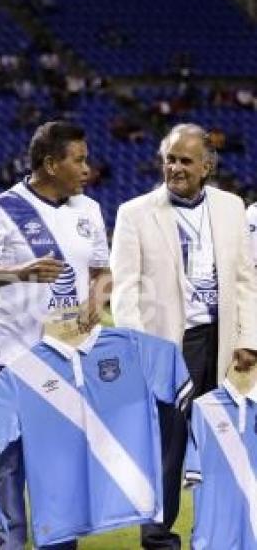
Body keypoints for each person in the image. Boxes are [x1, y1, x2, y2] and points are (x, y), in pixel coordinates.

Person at [110, 122, 257, 549]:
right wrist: (141, 350)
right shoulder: (134, 213)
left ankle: (221, 535)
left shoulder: (232, 208)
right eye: (170, 159)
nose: (175, 167)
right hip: (171, 346)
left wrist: (249, 338)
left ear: (207, 166)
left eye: (185, 160)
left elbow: (246, 280)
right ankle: (158, 539)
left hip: (226, 343)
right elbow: (124, 290)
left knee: (227, 443)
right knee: (167, 450)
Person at [0, 121, 110, 550]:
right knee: (7, 472)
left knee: (60, 475)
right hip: (13, 361)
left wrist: (95, 304)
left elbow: (102, 271)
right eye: (79, 159)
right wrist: (19, 272)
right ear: (50, 164)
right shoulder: (1, 207)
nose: (87, 168)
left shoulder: (89, 210)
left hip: (67, 364)